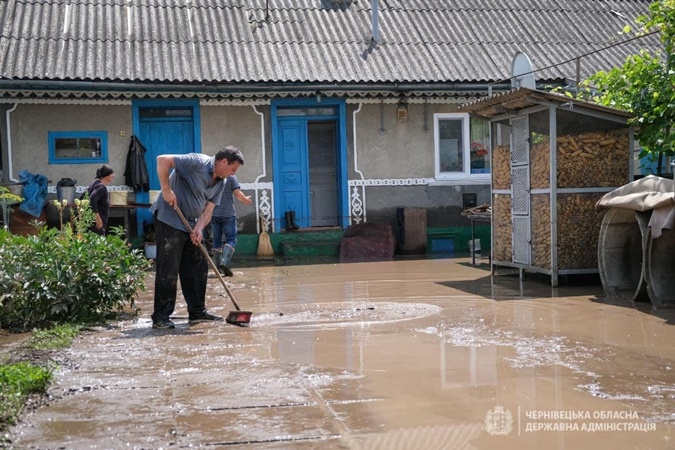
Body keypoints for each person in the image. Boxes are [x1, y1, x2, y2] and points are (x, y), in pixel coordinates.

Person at [150, 146, 244, 329]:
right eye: (233, 169)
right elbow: (162, 159)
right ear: (224, 161)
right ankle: (161, 316)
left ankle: (197, 312)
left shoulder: (222, 182)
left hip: (192, 224)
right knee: (168, 269)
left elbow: (209, 210)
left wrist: (199, 228)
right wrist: (166, 189)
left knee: (197, 268)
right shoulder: (196, 162)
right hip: (169, 219)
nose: (233, 174)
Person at [211, 175, 252, 277]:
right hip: (228, 214)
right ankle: (224, 262)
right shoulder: (231, 177)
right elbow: (237, 194)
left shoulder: (213, 175)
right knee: (231, 240)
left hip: (213, 213)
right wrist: (245, 199)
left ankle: (218, 270)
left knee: (217, 241)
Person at [86, 164, 115, 235]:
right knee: (99, 243)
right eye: (112, 174)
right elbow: (92, 198)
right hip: (96, 223)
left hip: (90, 220)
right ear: (106, 175)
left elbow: (84, 197)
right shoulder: (101, 187)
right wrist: (97, 217)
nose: (114, 175)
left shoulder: (95, 183)